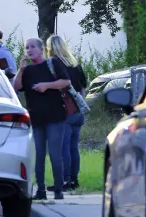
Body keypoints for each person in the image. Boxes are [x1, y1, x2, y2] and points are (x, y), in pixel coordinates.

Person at [13, 37, 70, 201]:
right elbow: (17, 87)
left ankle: (59, 189)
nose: (29, 50)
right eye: (26, 48)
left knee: (54, 154)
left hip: (55, 116)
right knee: (38, 155)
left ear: (41, 49)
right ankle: (40, 190)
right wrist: (21, 70)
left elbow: (65, 82)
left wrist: (47, 85)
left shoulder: (53, 64)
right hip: (36, 118)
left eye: (32, 47)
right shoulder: (28, 70)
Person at [46, 34, 88, 191]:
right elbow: (83, 87)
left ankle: (65, 181)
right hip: (79, 109)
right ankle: (74, 180)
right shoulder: (75, 64)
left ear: (50, 48)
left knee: (63, 146)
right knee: (73, 147)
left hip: (65, 109)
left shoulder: (54, 64)